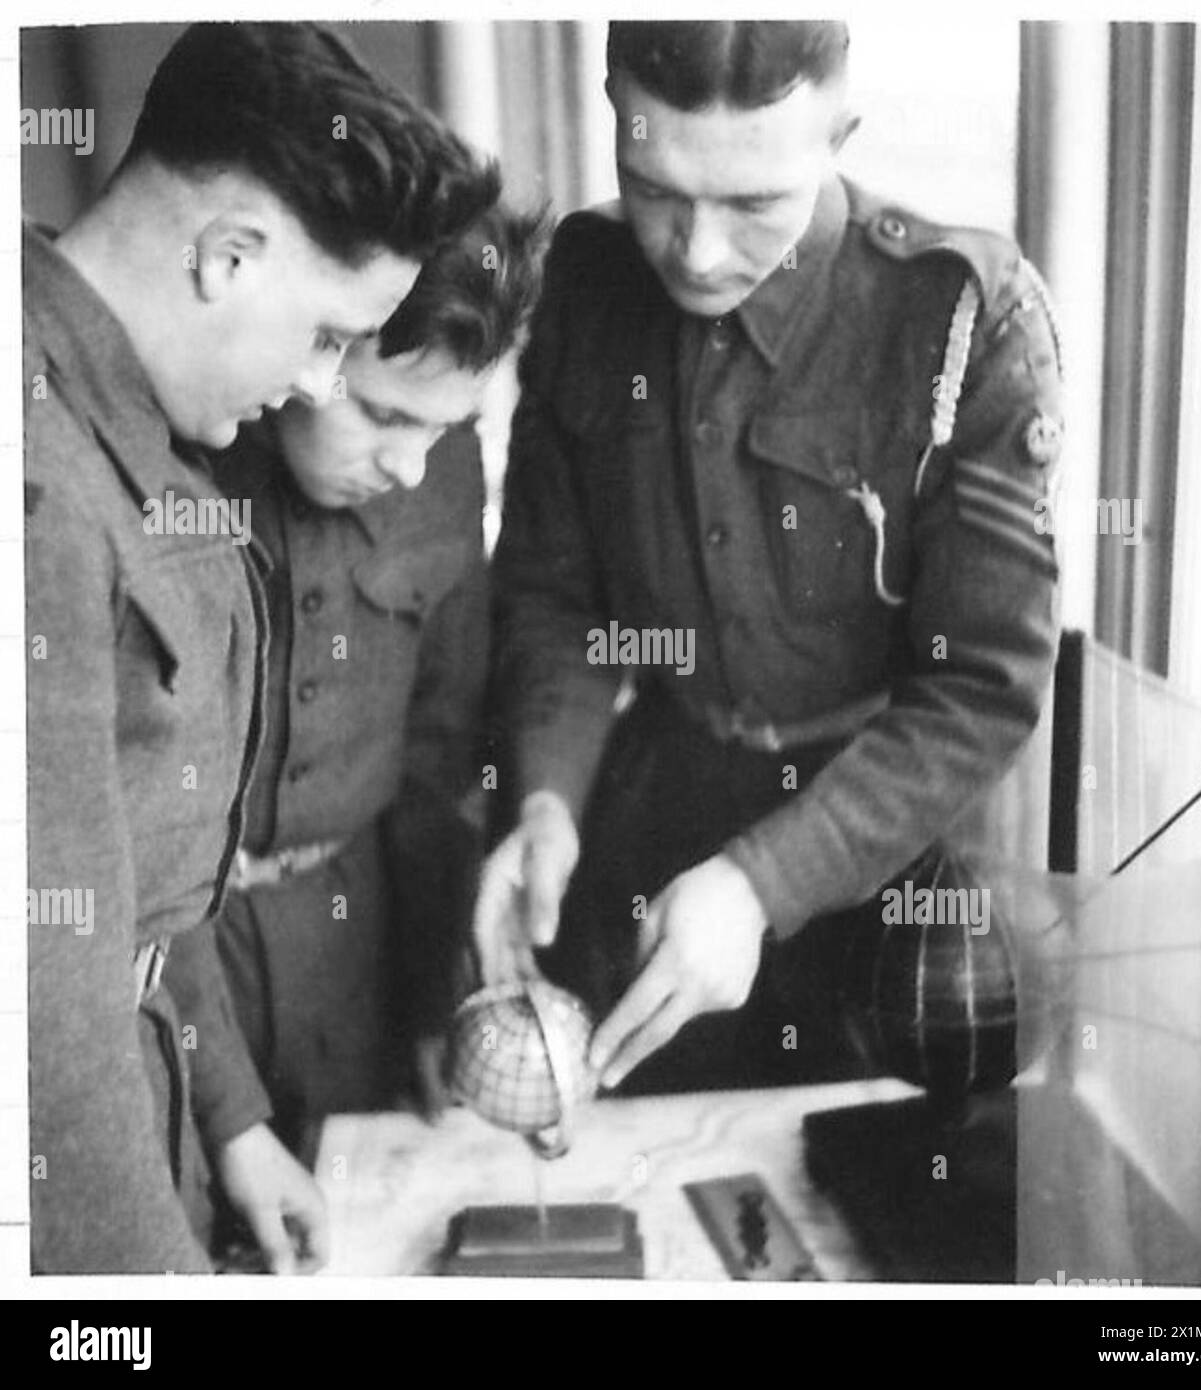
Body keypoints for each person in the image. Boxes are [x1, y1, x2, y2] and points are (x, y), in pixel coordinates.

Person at [474, 20, 1065, 1094]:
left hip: (894, 872)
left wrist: (760, 884)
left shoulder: (959, 319)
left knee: (875, 1197)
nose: (694, 251)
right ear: (612, 112)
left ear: (838, 133)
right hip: (651, 837)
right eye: (651, 185)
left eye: (751, 204)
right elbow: (552, 599)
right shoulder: (580, 287)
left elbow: (982, 687)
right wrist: (546, 800)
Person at [25, 20, 498, 1274]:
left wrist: (229, 1135)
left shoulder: (110, 416)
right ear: (229, 256)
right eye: (331, 335)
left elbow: (138, 876)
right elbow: (49, 1033)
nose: (312, 386)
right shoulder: (40, 481)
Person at [178, 204, 547, 1161]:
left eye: (445, 424)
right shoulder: (182, 448)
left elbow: (439, 760)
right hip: (176, 951)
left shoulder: (443, 465)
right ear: (313, 343)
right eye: (381, 413)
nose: (406, 463)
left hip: (353, 946)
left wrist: (430, 1001)